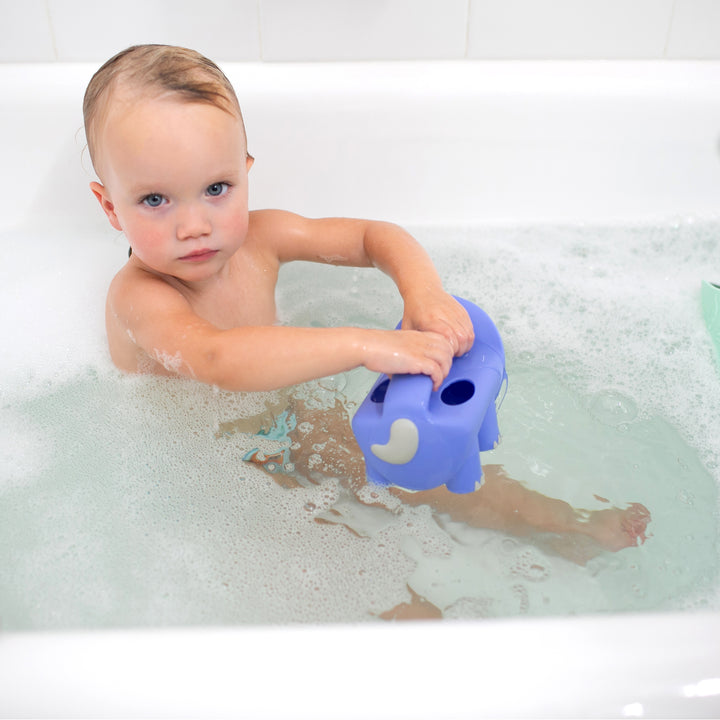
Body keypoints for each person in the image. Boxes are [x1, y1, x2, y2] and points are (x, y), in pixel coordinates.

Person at [84, 46, 650, 611]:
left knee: (431, 473)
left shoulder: (262, 237)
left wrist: (422, 292)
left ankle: (561, 528)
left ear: (245, 172)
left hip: (286, 419)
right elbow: (215, 359)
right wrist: (365, 345)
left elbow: (372, 237)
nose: (194, 224)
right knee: (337, 559)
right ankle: (401, 626)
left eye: (216, 189)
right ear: (111, 208)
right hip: (209, 469)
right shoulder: (139, 295)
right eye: (155, 200)